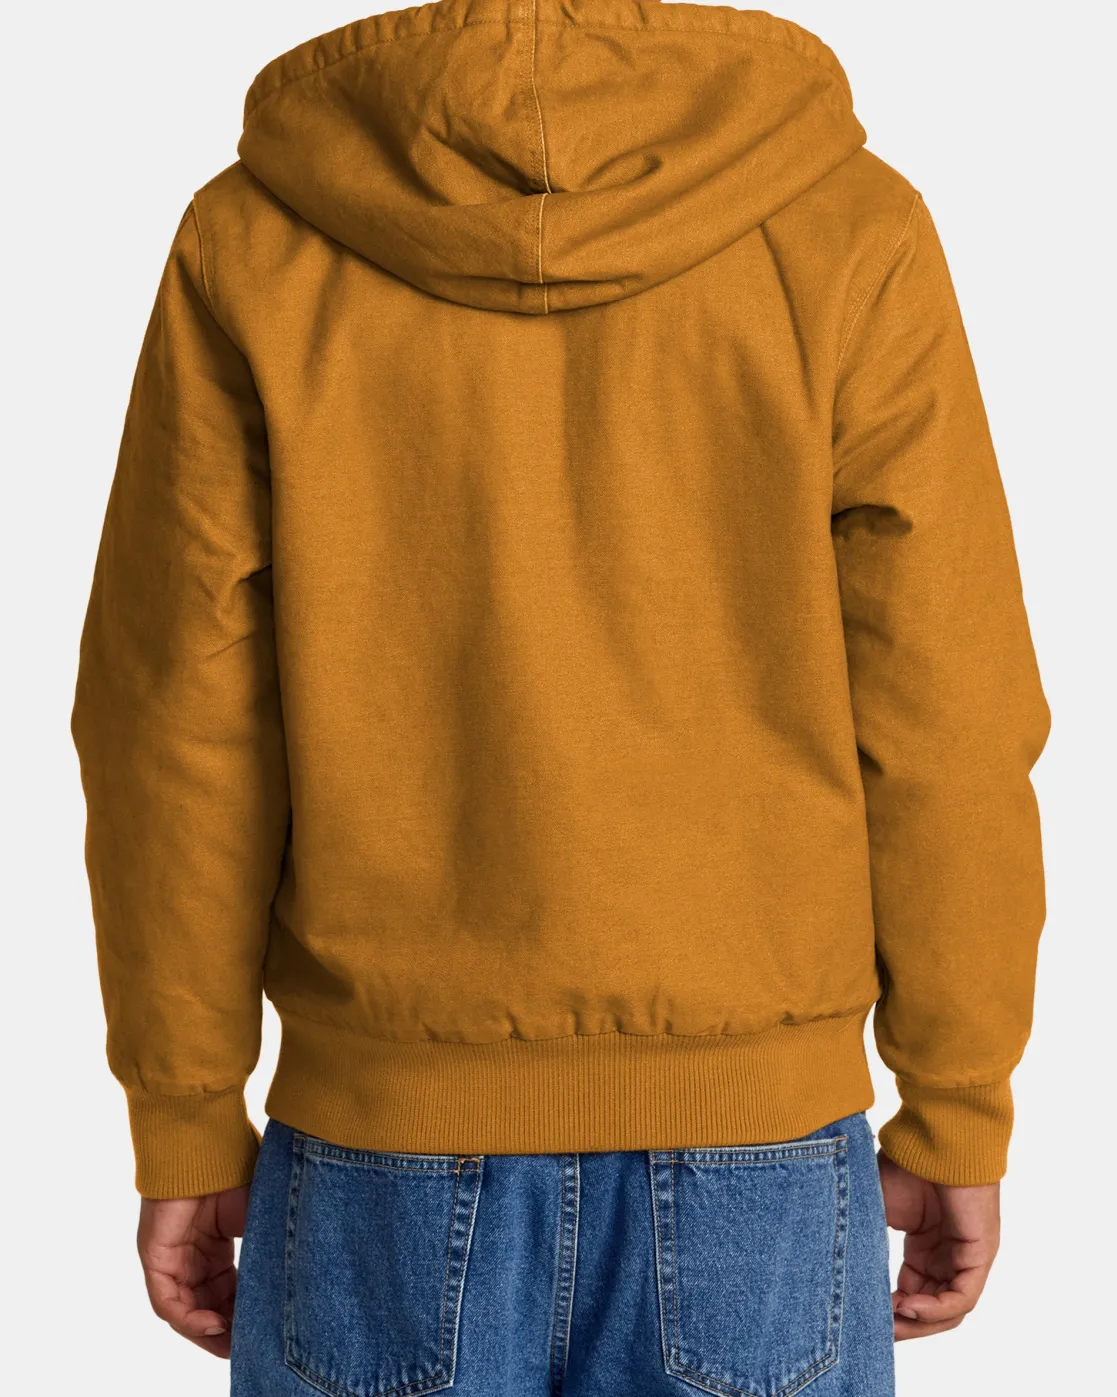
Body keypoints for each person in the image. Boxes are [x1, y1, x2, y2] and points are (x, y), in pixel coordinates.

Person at [72, 2, 1048, 1393]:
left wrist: (183, 1114)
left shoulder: (257, 238)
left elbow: (174, 716)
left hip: (377, 1151)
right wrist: (957, 1102)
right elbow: (948, 706)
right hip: (759, 1155)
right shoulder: (845, 227)